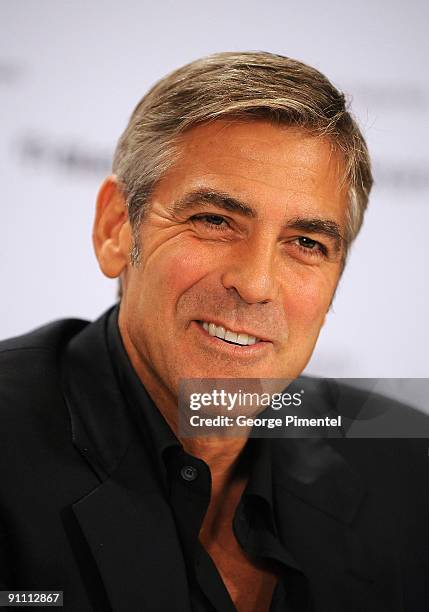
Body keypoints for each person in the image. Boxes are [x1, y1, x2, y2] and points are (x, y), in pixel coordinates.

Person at [0, 51, 428, 612]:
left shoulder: (408, 457)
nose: (254, 284)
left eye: (306, 244)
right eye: (214, 220)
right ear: (114, 228)